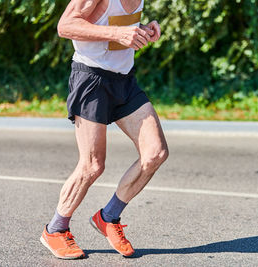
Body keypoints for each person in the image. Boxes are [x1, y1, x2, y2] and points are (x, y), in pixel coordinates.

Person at [39, 0, 169, 259]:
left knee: (155, 153)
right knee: (92, 165)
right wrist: (118, 33)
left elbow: (112, 24)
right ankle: (55, 229)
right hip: (91, 79)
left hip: (124, 81)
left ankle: (108, 217)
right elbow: (65, 26)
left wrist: (142, 29)